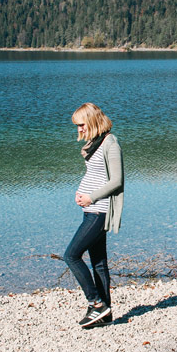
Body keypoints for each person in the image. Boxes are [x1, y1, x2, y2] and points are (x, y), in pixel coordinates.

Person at [63, 102, 124, 328]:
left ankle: (95, 303)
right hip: (91, 209)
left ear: (92, 121)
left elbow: (117, 181)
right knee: (98, 263)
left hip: (100, 210)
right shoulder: (95, 143)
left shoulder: (111, 143)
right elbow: (96, 174)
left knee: (71, 255)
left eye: (81, 125)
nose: (78, 129)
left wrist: (91, 197)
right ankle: (105, 314)